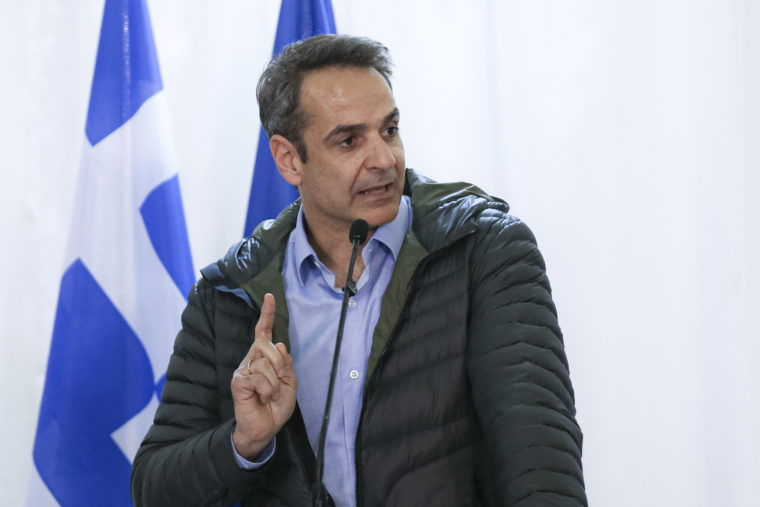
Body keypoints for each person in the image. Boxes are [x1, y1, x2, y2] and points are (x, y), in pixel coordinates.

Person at [131, 34, 587, 507]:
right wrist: (243, 443)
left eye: (389, 130)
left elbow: (541, 463)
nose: (385, 160)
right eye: (349, 140)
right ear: (289, 159)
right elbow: (153, 488)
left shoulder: (484, 251)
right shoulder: (227, 294)